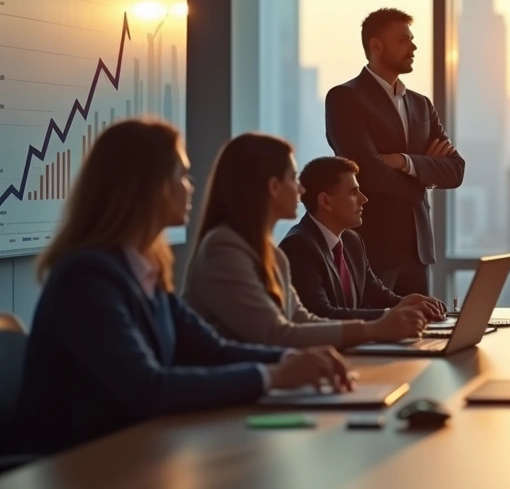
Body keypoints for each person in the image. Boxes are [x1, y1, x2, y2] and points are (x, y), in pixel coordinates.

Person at [15, 119, 352, 456]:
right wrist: (274, 376)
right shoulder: (87, 279)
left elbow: (213, 350)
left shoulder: (145, 272)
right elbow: (149, 388)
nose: (191, 187)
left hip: (134, 452)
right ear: (152, 186)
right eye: (182, 176)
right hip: (77, 465)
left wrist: (294, 359)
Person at [182, 133, 427, 348]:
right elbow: (276, 334)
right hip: (230, 394)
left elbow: (301, 320)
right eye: (293, 178)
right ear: (274, 187)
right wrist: (376, 328)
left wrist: (389, 318)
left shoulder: (269, 253)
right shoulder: (223, 249)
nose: (300, 190)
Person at [325, 8, 465, 297]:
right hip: (373, 247)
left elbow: (455, 169)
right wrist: (423, 176)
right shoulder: (346, 98)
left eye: (412, 39)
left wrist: (405, 161)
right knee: (375, 333)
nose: (413, 47)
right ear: (376, 45)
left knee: (422, 334)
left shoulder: (421, 105)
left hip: (418, 249)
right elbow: (367, 172)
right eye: (403, 40)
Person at [280, 156, 446, 321]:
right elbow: (320, 314)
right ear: (325, 201)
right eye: (353, 192)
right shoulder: (299, 246)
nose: (364, 199)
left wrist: (406, 303)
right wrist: (390, 316)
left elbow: (375, 294)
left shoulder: (352, 241)